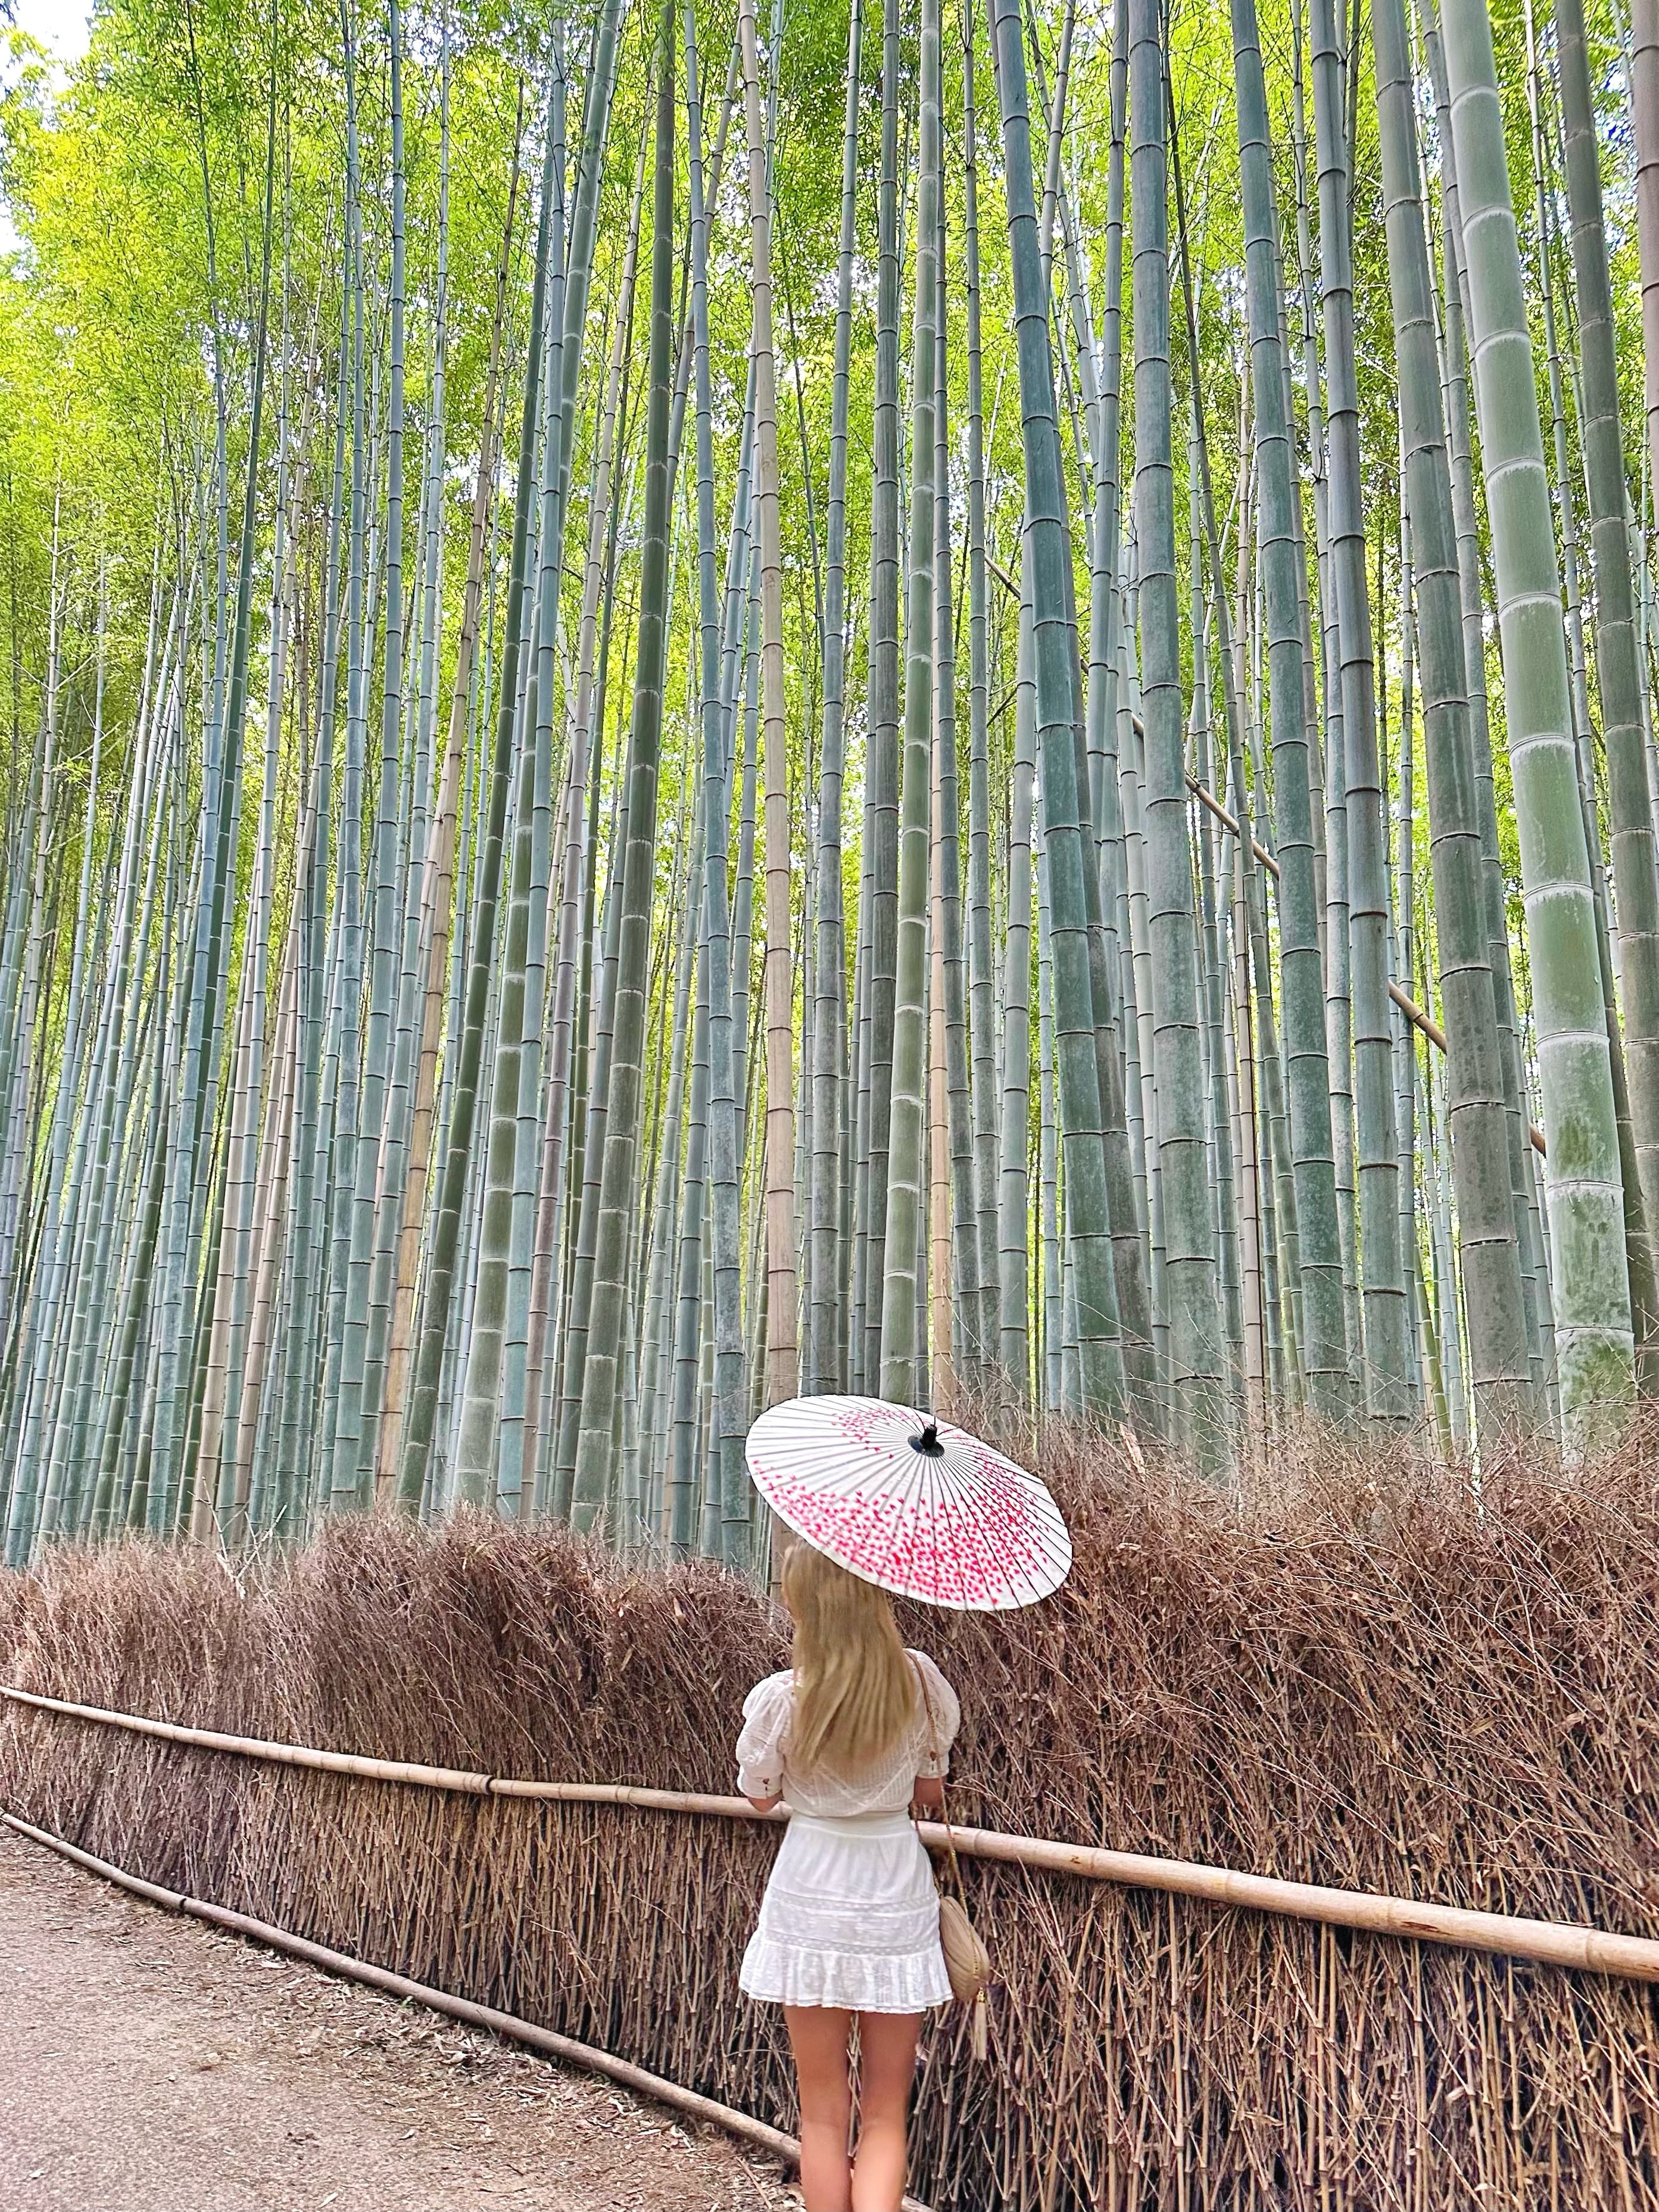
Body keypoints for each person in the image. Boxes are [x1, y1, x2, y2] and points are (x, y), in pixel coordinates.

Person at [735, 1538, 960, 2212]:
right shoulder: (918, 1680)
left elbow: (760, 1795)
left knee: (821, 2112)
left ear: (802, 1604)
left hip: (811, 1887)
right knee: (887, 2113)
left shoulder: (784, 1696)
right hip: (893, 1887)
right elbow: (929, 1793)